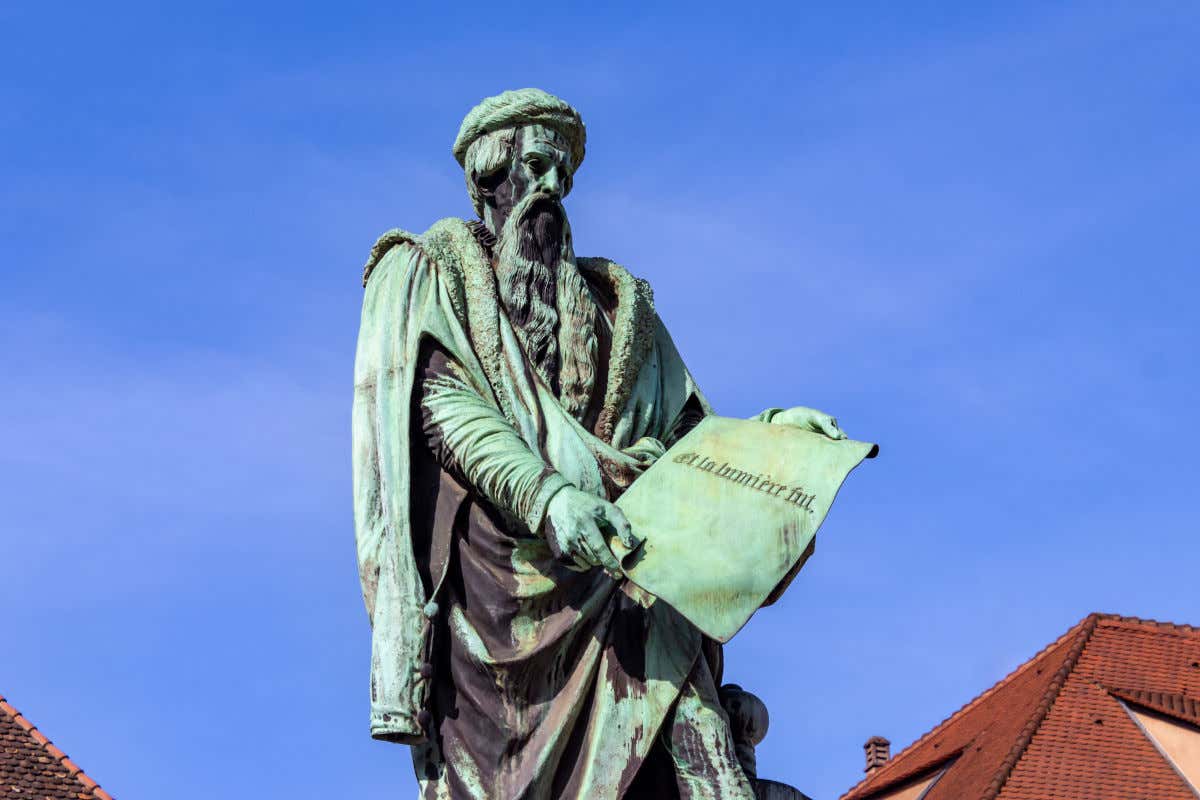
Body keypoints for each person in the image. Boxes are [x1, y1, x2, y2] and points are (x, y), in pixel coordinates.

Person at [352, 88, 844, 799]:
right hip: (509, 596)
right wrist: (551, 498)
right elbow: (443, 406)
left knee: (693, 728)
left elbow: (690, 444)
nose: (553, 187)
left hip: (631, 574)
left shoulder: (620, 309)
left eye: (563, 174)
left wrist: (774, 440)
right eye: (536, 167)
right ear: (490, 179)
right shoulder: (437, 272)